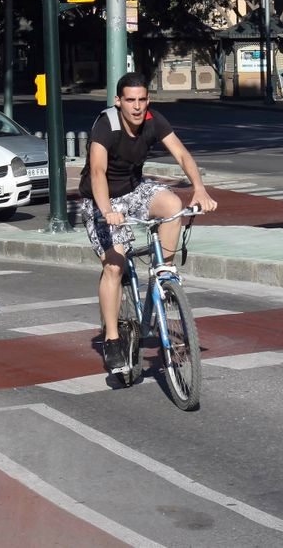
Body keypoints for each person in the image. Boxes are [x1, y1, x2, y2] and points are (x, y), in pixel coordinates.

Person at [81, 72, 217, 374]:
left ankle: (164, 274)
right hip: (101, 200)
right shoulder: (106, 125)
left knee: (172, 205)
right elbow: (98, 171)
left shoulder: (154, 120)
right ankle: (112, 340)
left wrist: (199, 188)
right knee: (114, 265)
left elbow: (181, 154)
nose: (137, 107)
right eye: (130, 100)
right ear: (118, 101)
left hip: (134, 189)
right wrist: (107, 210)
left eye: (142, 100)